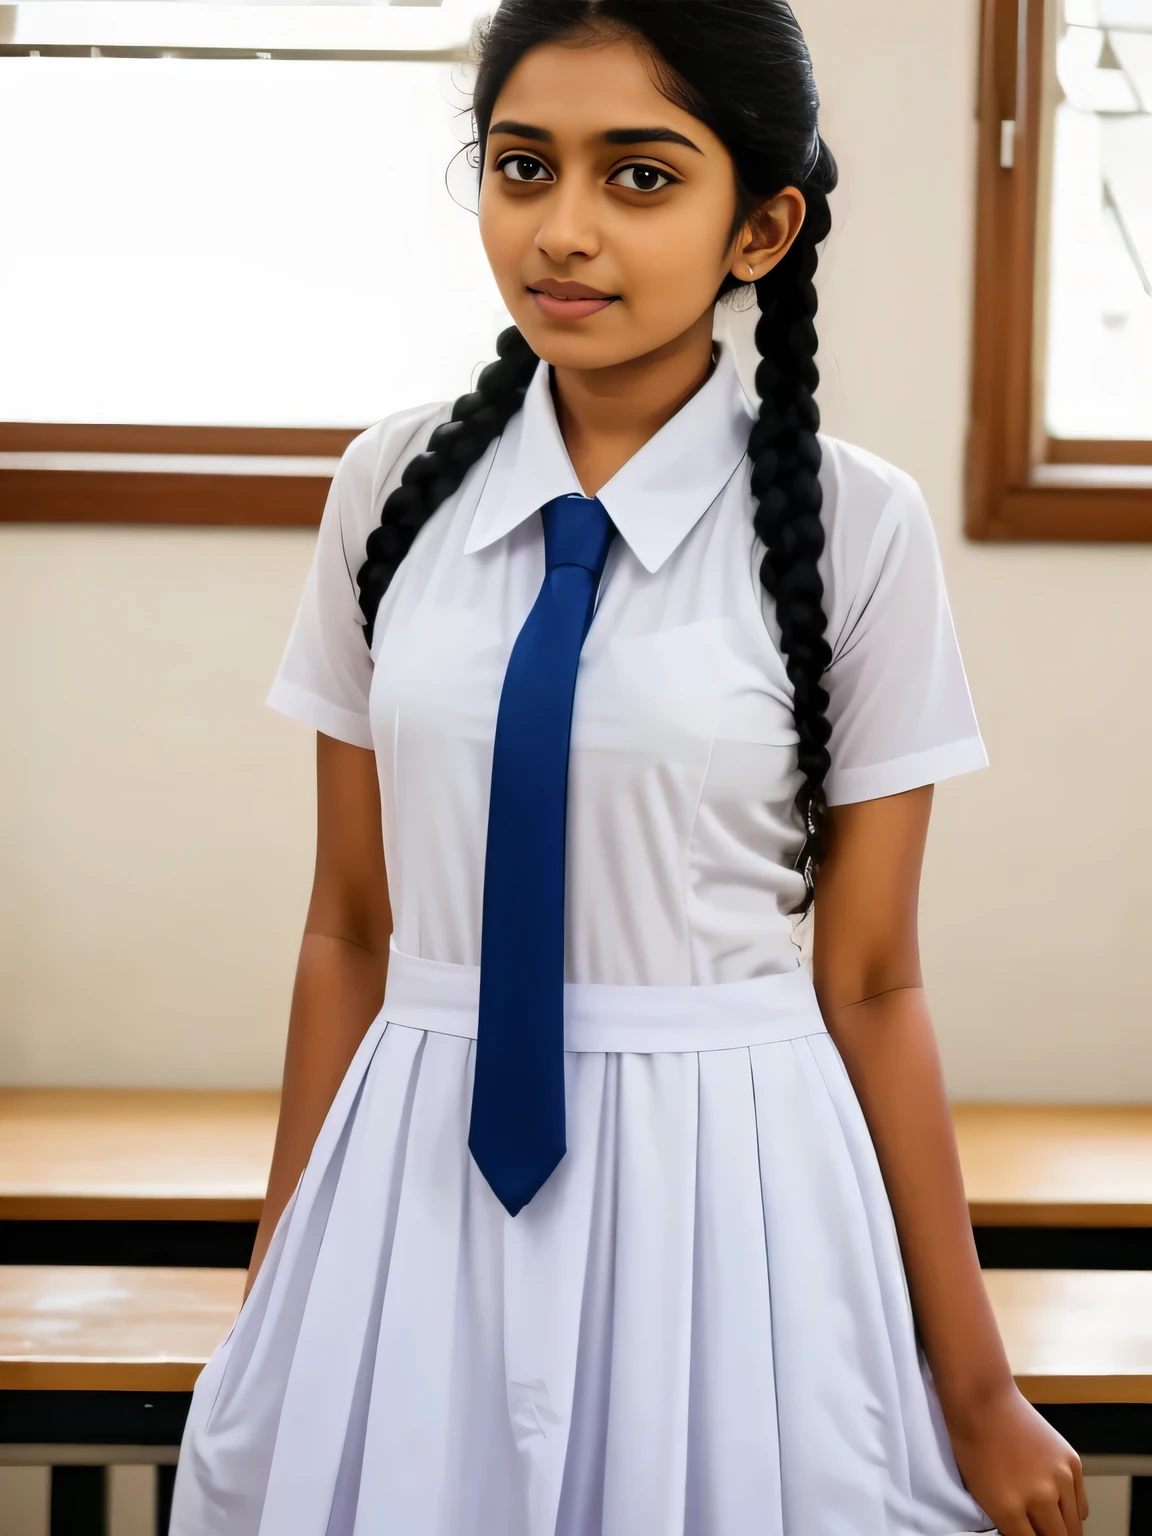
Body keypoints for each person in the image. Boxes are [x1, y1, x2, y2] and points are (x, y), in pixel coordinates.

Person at [170, 3, 1090, 1533]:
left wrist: (977, 1385)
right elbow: (349, 922)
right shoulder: (387, 491)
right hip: (412, 1173)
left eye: (641, 177)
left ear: (763, 226)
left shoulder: (859, 529)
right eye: (523, 167)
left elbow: (870, 980)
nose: (564, 230)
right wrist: (286, 1263)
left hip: (728, 1185)